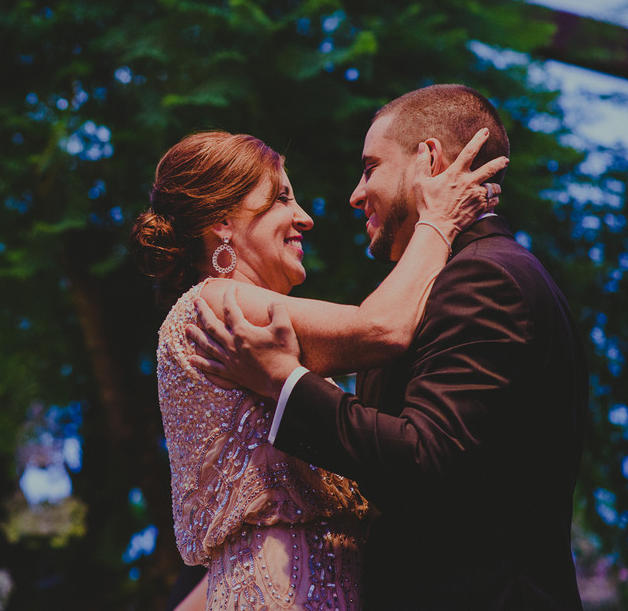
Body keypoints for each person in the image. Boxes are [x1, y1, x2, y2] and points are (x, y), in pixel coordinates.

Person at [188, 84, 588, 611]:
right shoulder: (445, 283)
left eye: (371, 167)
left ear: (429, 160)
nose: (355, 194)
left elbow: (426, 459)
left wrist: (285, 383)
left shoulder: (483, 277)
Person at [131, 123, 505, 611]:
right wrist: (438, 219)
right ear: (223, 222)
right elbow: (384, 328)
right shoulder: (217, 305)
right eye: (282, 198)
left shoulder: (240, 324)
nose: (304, 218)